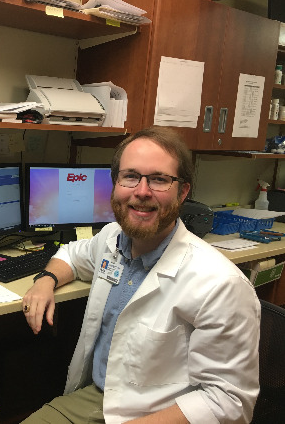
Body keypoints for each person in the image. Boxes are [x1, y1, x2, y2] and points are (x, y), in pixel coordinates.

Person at [21, 127, 260, 424]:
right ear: (115, 184)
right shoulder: (112, 238)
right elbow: (72, 254)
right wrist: (45, 281)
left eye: (159, 179)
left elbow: (228, 402)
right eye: (130, 176)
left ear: (183, 191)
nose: (142, 191)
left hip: (164, 413)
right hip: (98, 398)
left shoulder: (220, 283)